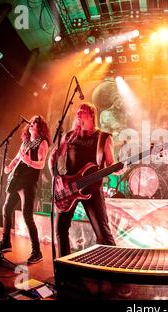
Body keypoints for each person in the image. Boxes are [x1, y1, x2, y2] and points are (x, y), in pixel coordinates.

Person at [49, 103, 122, 257]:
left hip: (93, 189)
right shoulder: (69, 136)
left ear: (92, 115)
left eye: (83, 111)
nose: (78, 113)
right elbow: (53, 156)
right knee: (60, 229)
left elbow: (111, 164)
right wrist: (55, 176)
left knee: (103, 233)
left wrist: (118, 169)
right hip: (68, 189)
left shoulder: (103, 137)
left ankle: (113, 268)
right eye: (77, 111)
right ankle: (64, 268)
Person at [0, 115, 50, 264]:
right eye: (31, 122)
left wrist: (29, 161)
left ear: (40, 127)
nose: (31, 124)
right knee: (6, 208)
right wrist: (10, 167)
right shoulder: (26, 142)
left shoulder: (43, 143)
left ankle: (37, 252)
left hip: (28, 182)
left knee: (27, 216)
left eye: (35, 123)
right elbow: (17, 158)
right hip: (17, 180)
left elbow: (41, 164)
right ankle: (6, 241)